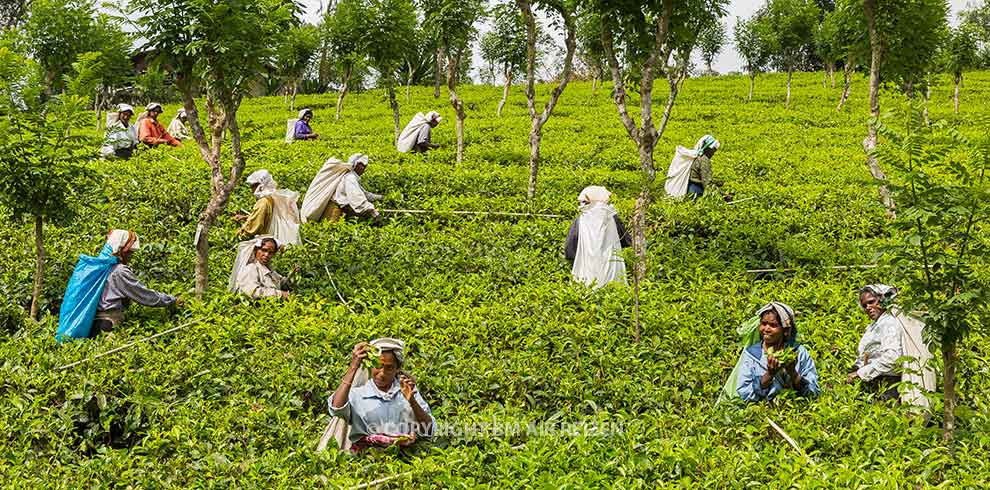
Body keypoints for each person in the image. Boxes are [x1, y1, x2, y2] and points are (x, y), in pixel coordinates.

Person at [327, 338, 436, 453]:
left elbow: (428, 430)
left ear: (397, 368)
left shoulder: (407, 390)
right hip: (365, 460)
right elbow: (336, 409)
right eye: (378, 366)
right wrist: (354, 366)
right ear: (370, 365)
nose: (382, 373)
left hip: (404, 459)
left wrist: (412, 402)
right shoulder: (358, 393)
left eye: (389, 368)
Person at [91, 230, 181, 337]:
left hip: (93, 325)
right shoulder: (119, 271)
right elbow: (144, 295)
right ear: (122, 250)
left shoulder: (97, 266)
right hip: (109, 323)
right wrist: (171, 300)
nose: (131, 257)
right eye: (130, 253)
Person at [737, 302, 821, 402]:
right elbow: (744, 394)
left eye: (773, 325)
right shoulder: (752, 355)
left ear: (785, 330)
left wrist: (793, 373)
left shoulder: (798, 352)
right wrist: (769, 374)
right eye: (764, 324)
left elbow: (813, 392)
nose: (766, 329)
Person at [847, 284, 910, 402]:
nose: (868, 307)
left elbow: (892, 357)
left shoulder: (888, 323)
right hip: (876, 380)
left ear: (882, 300)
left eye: (871, 302)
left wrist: (861, 373)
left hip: (889, 383)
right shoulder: (875, 325)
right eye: (864, 305)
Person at [563, 186, 631, 289]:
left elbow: (570, 246)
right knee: (613, 289)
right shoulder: (612, 217)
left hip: (587, 265)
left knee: (588, 288)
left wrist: (573, 259)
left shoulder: (580, 220)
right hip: (611, 265)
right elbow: (625, 239)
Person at [299, 154, 383, 224]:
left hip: (339, 209)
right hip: (334, 210)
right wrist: (374, 212)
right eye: (362, 166)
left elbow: (364, 193)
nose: (363, 169)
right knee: (330, 232)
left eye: (365, 167)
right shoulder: (350, 178)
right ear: (355, 165)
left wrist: (380, 197)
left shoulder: (351, 176)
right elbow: (357, 198)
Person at [233, 169, 302, 246]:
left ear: (260, 186)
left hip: (267, 242)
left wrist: (238, 234)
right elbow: (268, 217)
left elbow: (255, 226)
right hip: (278, 240)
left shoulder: (263, 202)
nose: (251, 189)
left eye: (253, 186)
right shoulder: (273, 197)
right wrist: (246, 217)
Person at [664, 134, 720, 199]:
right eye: (713, 150)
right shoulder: (704, 160)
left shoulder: (694, 155)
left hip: (687, 188)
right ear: (708, 148)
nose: (713, 153)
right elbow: (707, 182)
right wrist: (720, 195)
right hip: (696, 190)